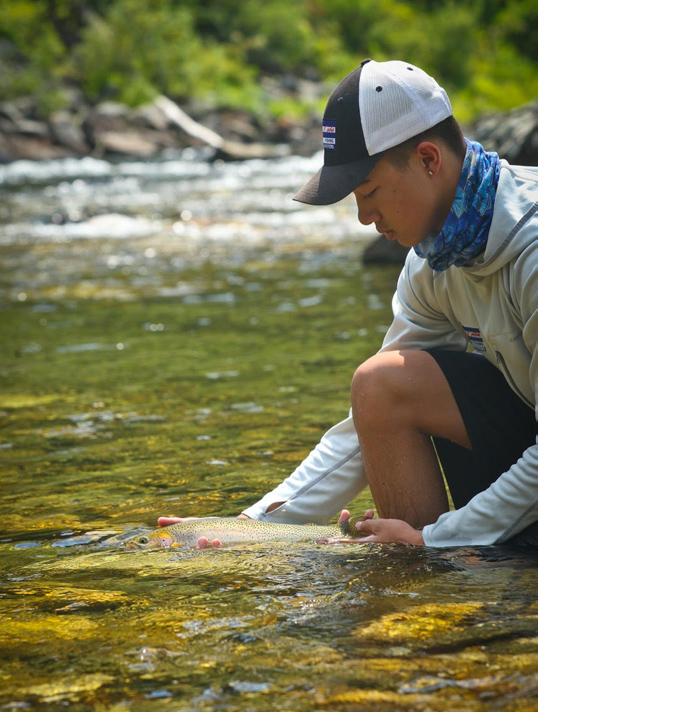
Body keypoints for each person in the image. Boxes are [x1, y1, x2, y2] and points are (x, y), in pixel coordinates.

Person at [159, 58, 537, 549]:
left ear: (428, 160)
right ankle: (426, 602)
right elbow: (370, 416)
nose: (363, 218)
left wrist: (440, 537)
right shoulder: (432, 261)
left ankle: (450, 569)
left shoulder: (538, 250)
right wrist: (245, 529)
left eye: (369, 191)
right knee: (380, 384)